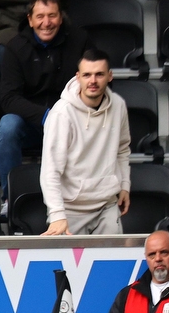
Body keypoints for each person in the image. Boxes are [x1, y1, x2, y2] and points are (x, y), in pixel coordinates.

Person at [0, 0, 91, 210]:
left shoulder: (80, 40)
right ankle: (9, 198)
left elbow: (95, 81)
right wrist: (46, 116)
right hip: (31, 123)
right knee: (8, 125)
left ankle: (81, 197)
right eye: (39, 16)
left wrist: (64, 116)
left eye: (52, 16)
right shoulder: (15, 47)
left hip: (71, 121)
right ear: (29, 20)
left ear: (61, 17)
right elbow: (9, 98)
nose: (46, 23)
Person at [40, 49, 130, 236]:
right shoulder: (61, 113)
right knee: (68, 266)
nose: (93, 81)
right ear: (78, 77)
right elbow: (50, 170)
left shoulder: (118, 105)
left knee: (111, 265)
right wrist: (57, 214)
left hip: (107, 205)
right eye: (87, 75)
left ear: (110, 76)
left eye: (99, 74)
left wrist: (124, 185)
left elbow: (122, 149)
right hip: (71, 209)